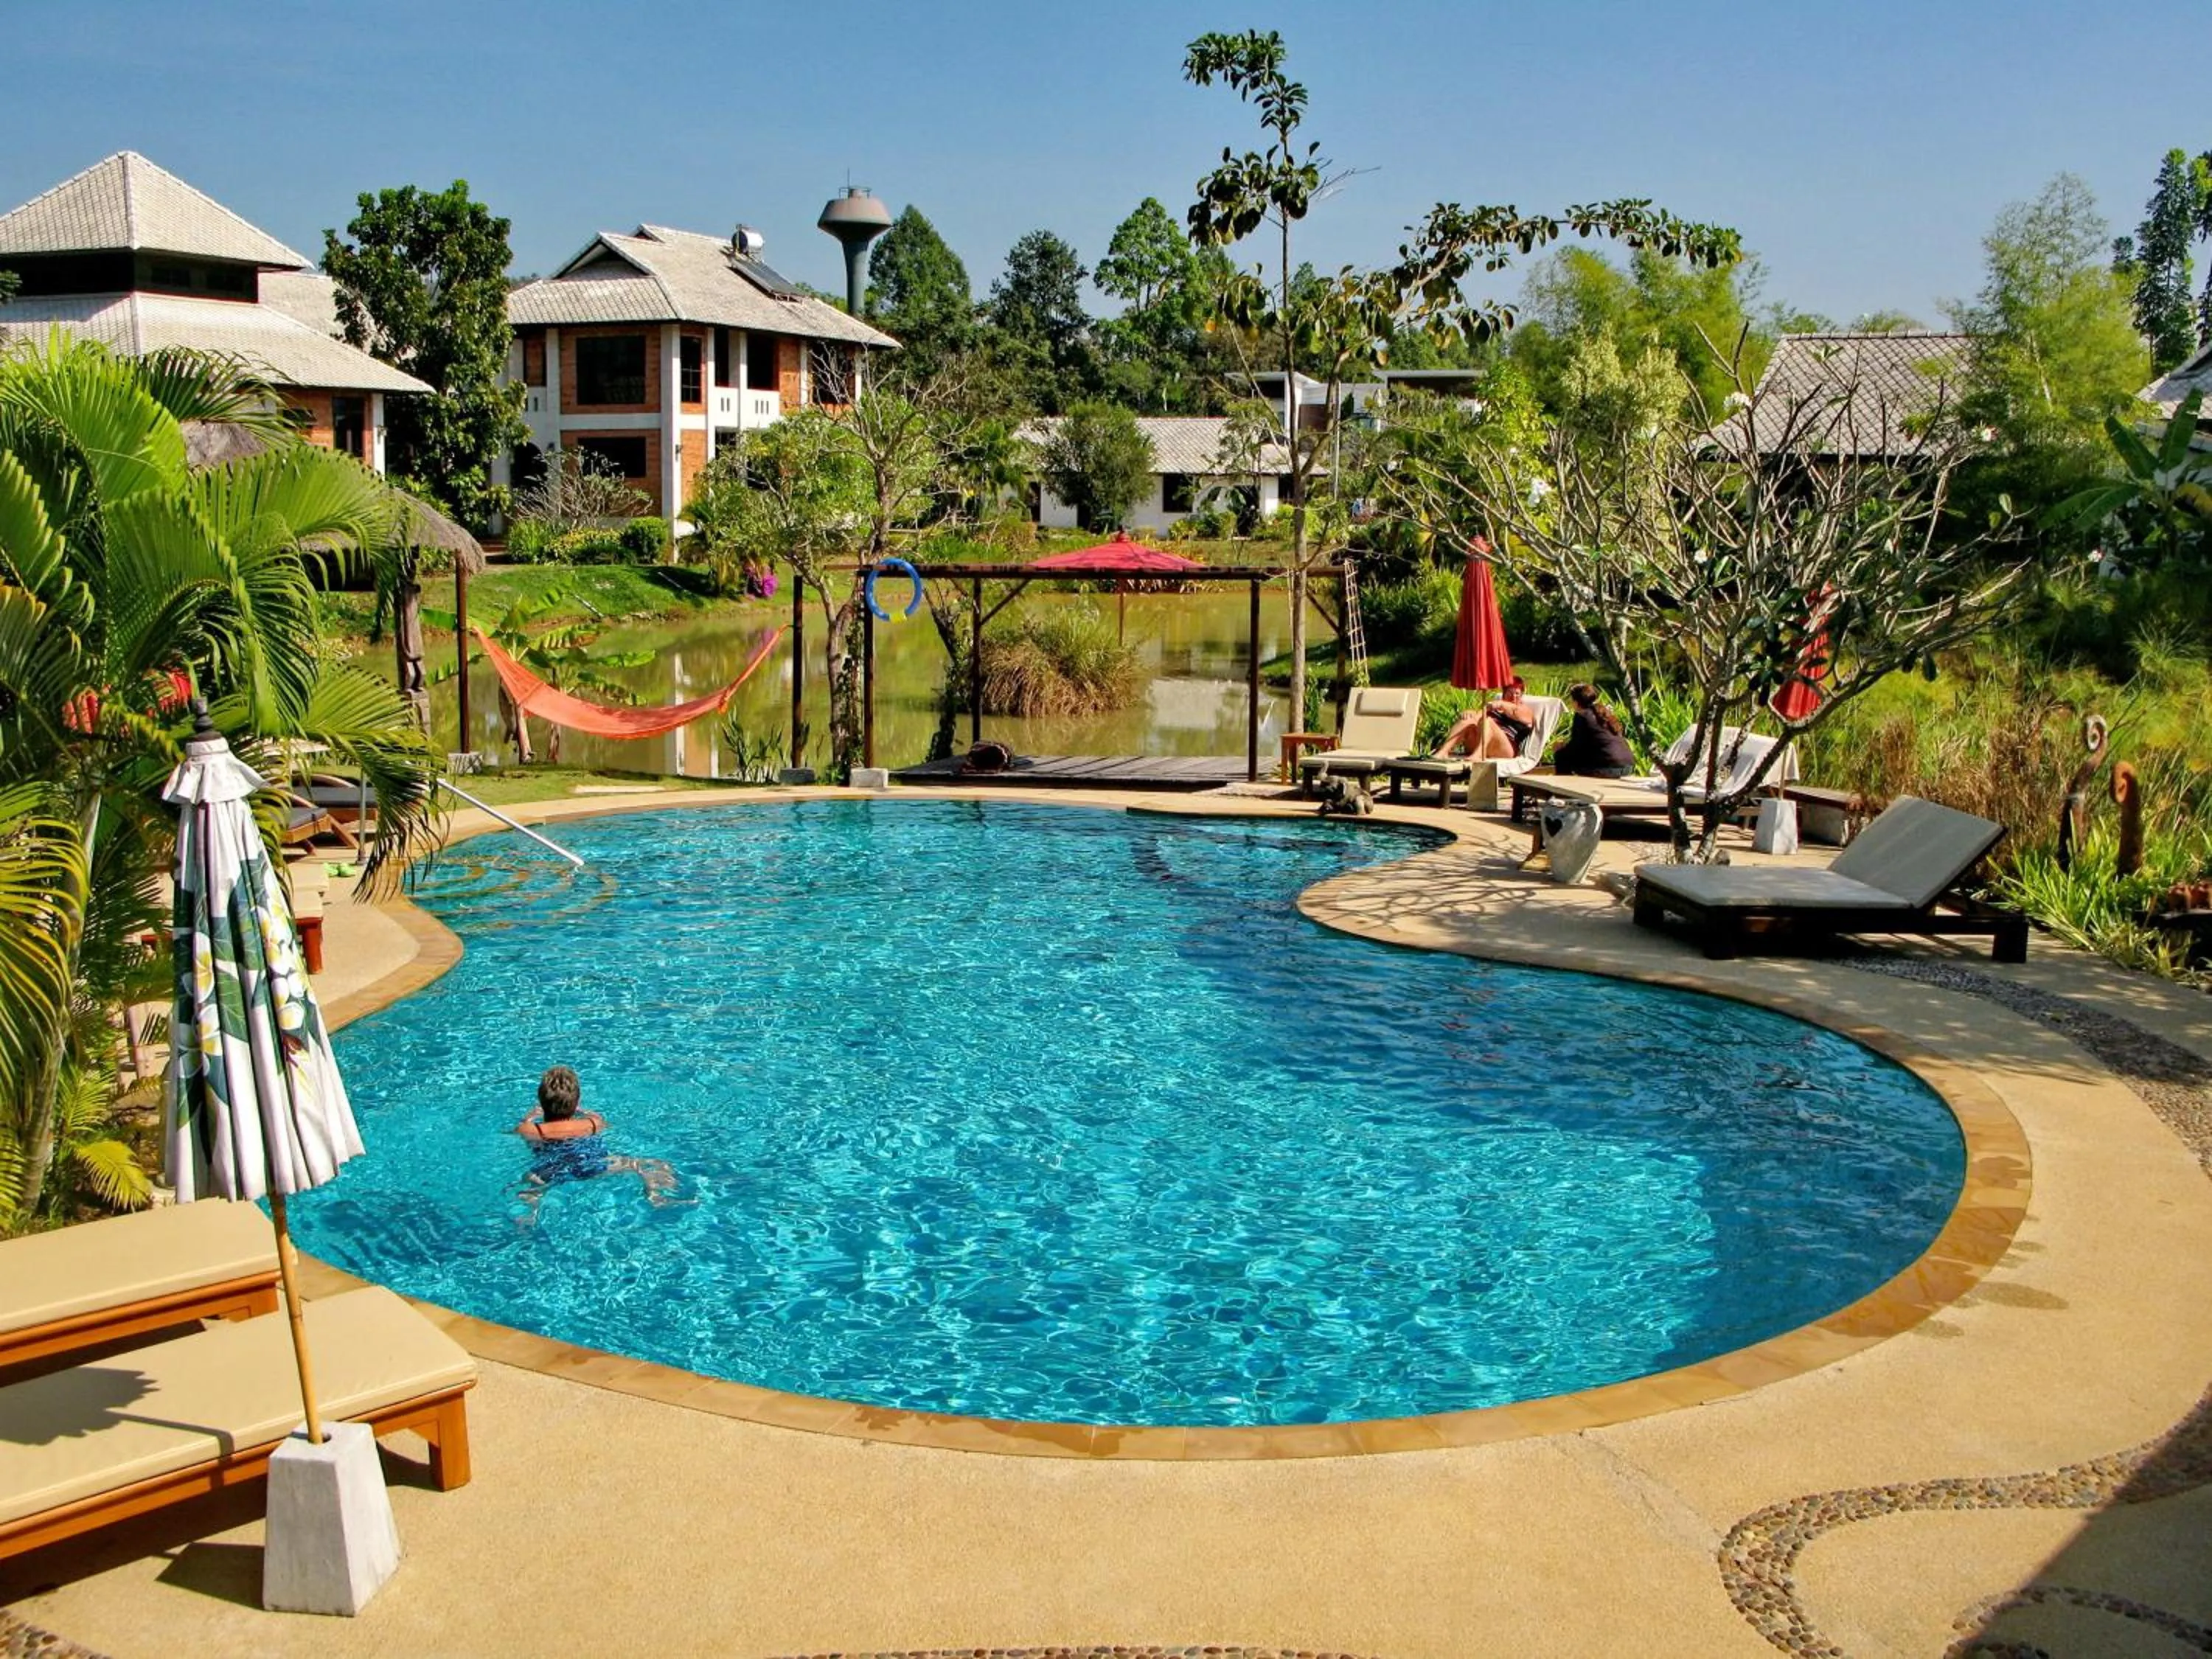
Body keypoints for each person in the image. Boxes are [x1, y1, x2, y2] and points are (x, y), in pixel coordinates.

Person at [515, 1065, 685, 1222]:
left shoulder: (533, 1130)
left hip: (552, 1172)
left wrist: (529, 1117)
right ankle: (655, 1196)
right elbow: (598, 1118)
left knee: (531, 1187)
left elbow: (523, 1131)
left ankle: (529, 1217)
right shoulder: (593, 1123)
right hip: (595, 1167)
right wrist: (581, 1110)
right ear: (577, 1100)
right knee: (652, 1165)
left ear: (541, 1100)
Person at [1431, 678, 1541, 762]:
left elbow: (1515, 712)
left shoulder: (1525, 710)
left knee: (1487, 721)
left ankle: (1479, 755)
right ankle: (1443, 752)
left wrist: (1501, 704)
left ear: (1521, 696)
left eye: (1517, 694)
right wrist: (1470, 713)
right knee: (1467, 720)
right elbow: (1476, 717)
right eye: (1510, 693)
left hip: (1506, 749)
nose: (1514, 697)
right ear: (1504, 694)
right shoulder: (1495, 709)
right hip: (1484, 742)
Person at [1554, 683, 1637, 778]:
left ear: (1576, 702)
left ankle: (1564, 790)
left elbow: (1576, 746)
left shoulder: (1581, 716)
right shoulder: (1604, 713)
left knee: (1561, 755)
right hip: (1628, 766)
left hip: (1609, 768)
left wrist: (1560, 748)